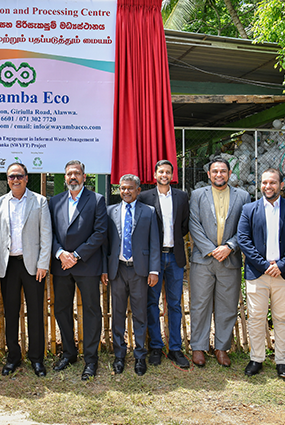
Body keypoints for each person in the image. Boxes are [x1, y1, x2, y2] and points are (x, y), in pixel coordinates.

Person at [237, 168, 285, 379]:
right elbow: (243, 239)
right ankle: (256, 359)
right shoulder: (249, 209)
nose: (268, 186)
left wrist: (282, 265)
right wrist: (263, 265)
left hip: (284, 274)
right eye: (265, 182)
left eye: (273, 182)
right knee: (256, 318)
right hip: (258, 273)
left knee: (282, 318)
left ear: (281, 184)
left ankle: (282, 361)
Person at [189, 157, 251, 368]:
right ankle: (198, 346)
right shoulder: (198, 195)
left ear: (230, 173)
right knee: (200, 304)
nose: (219, 174)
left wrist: (230, 246)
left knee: (227, 305)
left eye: (223, 171)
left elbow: (245, 227)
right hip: (203, 259)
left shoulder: (243, 196)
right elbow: (194, 224)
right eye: (215, 171)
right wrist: (210, 250)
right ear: (209, 174)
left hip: (230, 258)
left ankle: (221, 348)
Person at [48, 160, 107, 380]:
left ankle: (91, 359)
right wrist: (60, 253)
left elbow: (100, 233)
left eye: (77, 173)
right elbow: (49, 232)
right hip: (61, 265)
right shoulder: (55, 201)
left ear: (84, 176)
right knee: (61, 309)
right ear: (65, 177)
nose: (73, 177)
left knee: (92, 311)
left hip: (87, 265)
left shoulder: (97, 200)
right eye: (69, 174)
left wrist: (76, 255)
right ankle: (69, 353)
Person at [0, 162, 52, 377]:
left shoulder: (40, 201)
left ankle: (37, 359)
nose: (15, 179)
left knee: (35, 312)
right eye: (11, 176)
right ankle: (13, 357)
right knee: (10, 313)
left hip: (33, 266)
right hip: (8, 265)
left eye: (19, 176)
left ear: (26, 178)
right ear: (7, 179)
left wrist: (43, 263)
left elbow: (46, 234)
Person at [103, 174, 159, 376]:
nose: (126, 191)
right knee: (117, 313)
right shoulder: (110, 211)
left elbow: (154, 242)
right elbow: (105, 244)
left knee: (140, 314)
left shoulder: (149, 212)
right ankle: (119, 355)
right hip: (117, 270)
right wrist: (105, 269)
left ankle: (140, 356)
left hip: (139, 270)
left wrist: (154, 270)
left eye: (130, 188)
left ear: (138, 190)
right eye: (123, 188)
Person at [138, 159, 191, 369]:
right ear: (155, 174)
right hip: (154, 258)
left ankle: (175, 348)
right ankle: (156, 347)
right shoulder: (145, 197)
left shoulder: (182, 197)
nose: (164, 175)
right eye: (161, 172)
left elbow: (184, 225)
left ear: (172, 175)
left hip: (175, 257)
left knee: (175, 304)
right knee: (152, 302)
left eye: (168, 172)